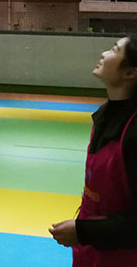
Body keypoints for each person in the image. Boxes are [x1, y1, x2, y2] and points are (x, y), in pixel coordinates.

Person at [49, 35, 137, 265]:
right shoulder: (105, 115)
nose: (104, 54)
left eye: (114, 50)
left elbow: (134, 223)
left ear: (130, 72)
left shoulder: (133, 131)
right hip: (93, 250)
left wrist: (84, 231)